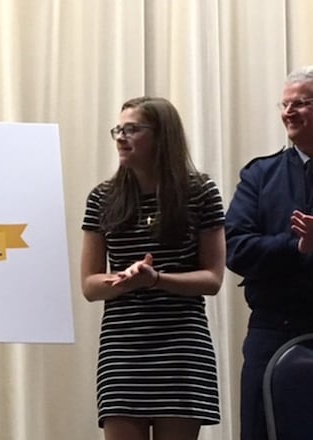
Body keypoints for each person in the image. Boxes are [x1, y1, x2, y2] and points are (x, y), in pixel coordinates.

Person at [80, 96, 225, 440]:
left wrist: (156, 279)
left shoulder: (200, 192)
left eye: (132, 129)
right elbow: (89, 285)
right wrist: (126, 281)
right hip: (123, 348)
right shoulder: (102, 197)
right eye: (118, 130)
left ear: (162, 136)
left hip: (181, 346)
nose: (121, 137)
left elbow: (213, 278)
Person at [225, 66, 313, 440]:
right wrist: (296, 247)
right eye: (285, 104)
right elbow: (236, 248)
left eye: (301, 103)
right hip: (273, 329)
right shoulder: (260, 176)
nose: (289, 112)